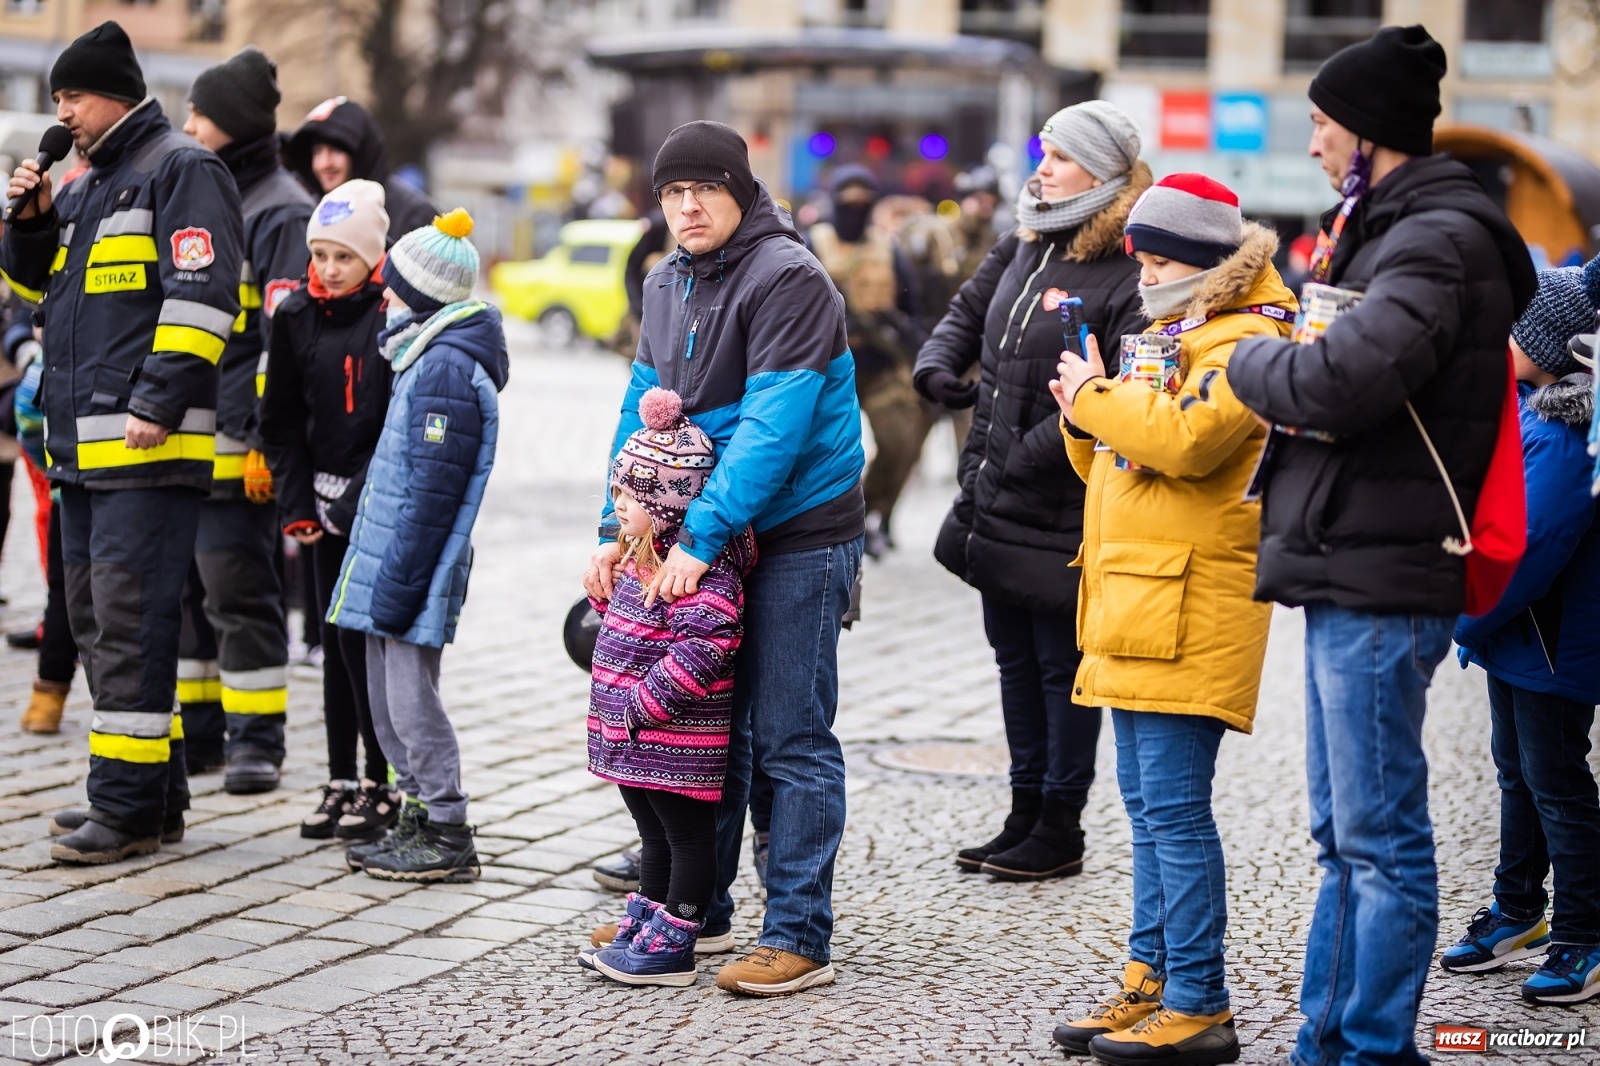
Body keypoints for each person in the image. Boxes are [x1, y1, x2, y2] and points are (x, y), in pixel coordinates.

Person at [1226, 25, 1538, 1066]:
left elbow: (1335, 382)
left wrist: (1246, 361)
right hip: (1347, 554)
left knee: (1377, 838)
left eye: (1320, 123)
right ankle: (1329, 1035)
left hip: (1383, 562)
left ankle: (1369, 1047)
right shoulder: (1385, 226)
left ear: (1367, 134)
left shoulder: (1434, 239)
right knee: (1339, 838)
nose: (1310, 143)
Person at [586, 120, 864, 997]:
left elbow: (775, 430)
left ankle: (799, 934)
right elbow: (642, 410)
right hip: (703, 534)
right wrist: (616, 528)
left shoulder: (790, 278)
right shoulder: (666, 280)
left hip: (796, 532)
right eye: (671, 193)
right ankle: (695, 908)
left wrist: (699, 539)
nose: (687, 206)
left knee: (790, 734)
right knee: (714, 731)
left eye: (703, 188)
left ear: (741, 190)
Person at [1047, 175, 1296, 1064]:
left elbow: (1188, 446)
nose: (1145, 277)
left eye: (1157, 261)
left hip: (1190, 604)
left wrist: (1096, 401)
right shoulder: (1175, 335)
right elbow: (1118, 467)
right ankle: (1149, 980)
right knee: (1150, 809)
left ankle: (1200, 999)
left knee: (1176, 814)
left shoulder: (1247, 341)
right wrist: (1085, 415)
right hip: (1139, 596)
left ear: (1200, 261)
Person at [0, 21, 243, 864]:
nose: (61, 111)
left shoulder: (180, 168)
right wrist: (29, 220)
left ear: (117, 90)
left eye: (73, 95)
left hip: (146, 451)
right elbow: (38, 290)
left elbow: (205, 294)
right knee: (99, 619)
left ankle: (126, 807)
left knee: (130, 623)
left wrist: (158, 402)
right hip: (81, 456)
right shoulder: (83, 183)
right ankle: (155, 794)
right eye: (57, 98)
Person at [914, 101, 1148, 882]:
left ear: (1105, 175)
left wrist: (1020, 456)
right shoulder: (1029, 237)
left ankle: (1061, 824)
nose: (1041, 169)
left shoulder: (1128, 264)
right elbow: (968, 310)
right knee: (1013, 659)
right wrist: (938, 366)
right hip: (997, 494)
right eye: (1043, 154)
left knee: (1061, 668)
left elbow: (1110, 391)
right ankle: (1022, 812)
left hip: (1061, 500)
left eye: (1060, 158)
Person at [329, 209, 507, 883]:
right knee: (385, 696)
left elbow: (433, 492)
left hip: (412, 566)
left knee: (409, 698)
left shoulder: (445, 371)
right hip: (390, 561)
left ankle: (445, 824)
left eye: (395, 288)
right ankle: (414, 810)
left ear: (423, 296)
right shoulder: (423, 357)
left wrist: (402, 576)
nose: (385, 299)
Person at [1444, 266, 1600, 1006]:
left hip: (1549, 644)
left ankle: (1583, 934)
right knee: (1517, 773)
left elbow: (1528, 553)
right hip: (1519, 641)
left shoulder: (1566, 435)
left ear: (1547, 344)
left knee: (1560, 786)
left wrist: (1464, 618)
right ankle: (1518, 909)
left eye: (1513, 329)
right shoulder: (1529, 410)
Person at [579, 387, 755, 986]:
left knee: (684, 834)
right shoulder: (640, 558)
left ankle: (679, 935)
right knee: (651, 833)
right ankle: (648, 918)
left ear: (670, 501)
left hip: (673, 737)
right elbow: (635, 630)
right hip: (635, 737)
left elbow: (707, 645)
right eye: (617, 490)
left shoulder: (696, 574)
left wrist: (642, 702)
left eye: (631, 494)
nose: (618, 504)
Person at [173, 46, 313, 793]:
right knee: (192, 591)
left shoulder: (280, 208)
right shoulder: (214, 194)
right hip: (189, 433)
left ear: (233, 123)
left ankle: (257, 738)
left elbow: (282, 339)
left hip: (242, 441)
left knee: (238, 587)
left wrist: (266, 440)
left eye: (201, 114)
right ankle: (201, 735)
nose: (189, 126)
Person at [258, 180, 397, 839]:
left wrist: (360, 494)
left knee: (366, 643)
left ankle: (380, 780)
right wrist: (298, 504)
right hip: (319, 507)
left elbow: (396, 422)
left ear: (371, 256)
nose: (329, 269)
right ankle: (341, 776)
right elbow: (278, 421)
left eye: (343, 256)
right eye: (319, 255)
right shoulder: (294, 317)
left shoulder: (391, 317)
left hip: (374, 504)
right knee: (332, 644)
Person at [808, 166, 926, 558]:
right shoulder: (813, 242)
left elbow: (910, 306)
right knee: (825, 452)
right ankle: (827, 524)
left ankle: (868, 512)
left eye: (864, 202)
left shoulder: (887, 246)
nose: (855, 210)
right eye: (848, 202)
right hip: (826, 367)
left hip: (880, 363)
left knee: (900, 442)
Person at [286, 97, 438, 241]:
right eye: (317, 152)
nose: (324, 163)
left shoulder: (415, 217)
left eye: (335, 150)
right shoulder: (312, 215)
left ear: (362, 153)